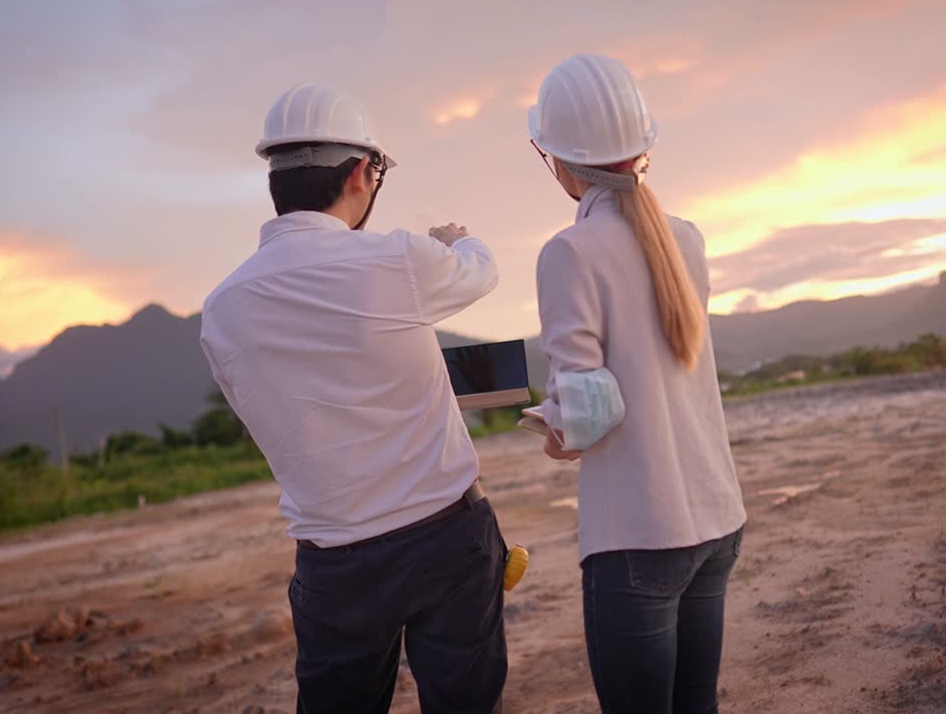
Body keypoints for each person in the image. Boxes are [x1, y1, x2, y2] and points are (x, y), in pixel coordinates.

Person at [200, 83, 507, 714]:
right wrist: (453, 239)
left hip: (334, 564)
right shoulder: (398, 259)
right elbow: (483, 268)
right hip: (447, 538)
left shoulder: (222, 309)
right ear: (363, 174)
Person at [528, 55, 748, 713]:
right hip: (716, 517)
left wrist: (550, 428)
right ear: (642, 147)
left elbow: (588, 411)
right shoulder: (687, 238)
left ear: (557, 160)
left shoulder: (568, 252)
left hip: (638, 534)